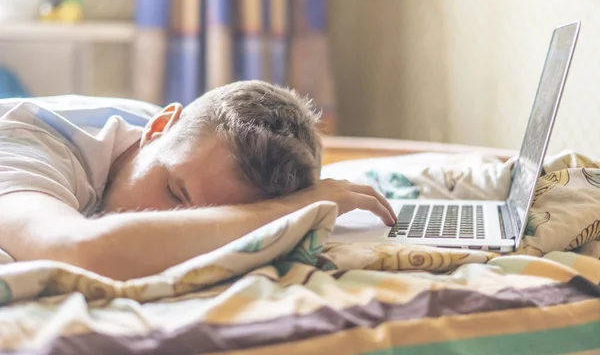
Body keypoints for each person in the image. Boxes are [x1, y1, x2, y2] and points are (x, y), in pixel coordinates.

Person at [0, 81, 395, 280]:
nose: (172, 223)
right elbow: (80, 253)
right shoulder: (25, 145)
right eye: (174, 192)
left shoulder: (177, 147)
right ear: (156, 127)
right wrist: (284, 212)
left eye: (214, 218)